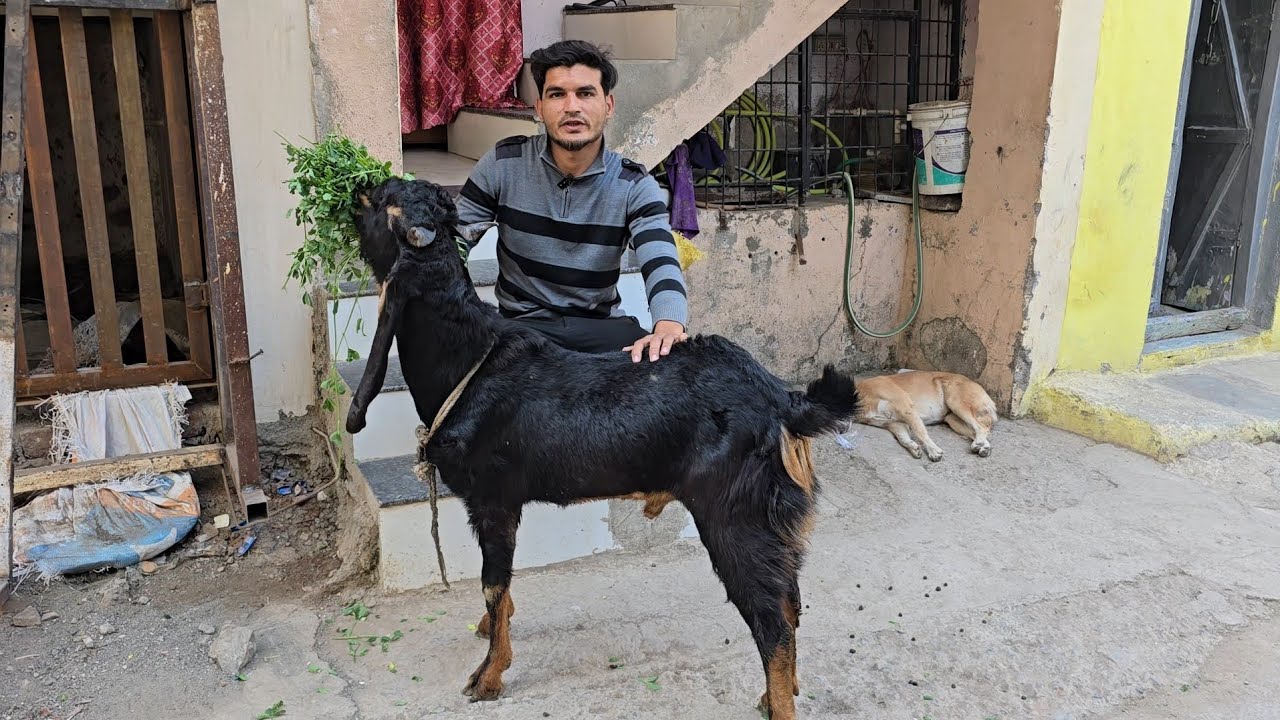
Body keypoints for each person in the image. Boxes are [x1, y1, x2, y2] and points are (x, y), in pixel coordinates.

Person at [454, 40, 690, 363]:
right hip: (521, 331)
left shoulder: (633, 184)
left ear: (608, 105)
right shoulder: (503, 164)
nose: (571, 107)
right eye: (557, 94)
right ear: (539, 107)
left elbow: (660, 257)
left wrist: (668, 323)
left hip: (598, 330)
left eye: (585, 93)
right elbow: (453, 240)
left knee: (661, 364)